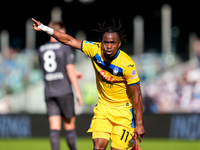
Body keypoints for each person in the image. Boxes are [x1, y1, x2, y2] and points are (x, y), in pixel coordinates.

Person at [32, 18, 145, 150]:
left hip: (124, 112)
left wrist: (139, 123)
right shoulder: (94, 49)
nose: (109, 46)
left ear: (119, 44)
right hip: (103, 109)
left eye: (112, 43)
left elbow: (137, 94)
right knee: (98, 145)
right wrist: (46, 28)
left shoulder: (127, 64)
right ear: (101, 43)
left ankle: (130, 143)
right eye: (106, 42)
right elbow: (69, 40)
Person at [37, 21, 83, 150]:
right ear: (59, 32)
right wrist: (78, 93)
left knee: (54, 128)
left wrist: (74, 73)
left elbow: (49, 69)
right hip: (64, 91)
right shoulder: (64, 47)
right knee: (69, 127)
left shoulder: (41, 49)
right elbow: (69, 70)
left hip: (49, 91)